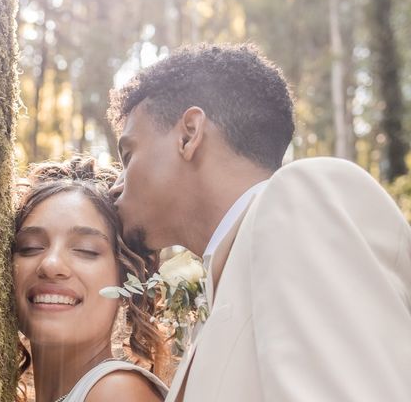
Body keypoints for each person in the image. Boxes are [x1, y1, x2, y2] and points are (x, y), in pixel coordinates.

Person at [107, 44, 411, 402]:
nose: (116, 185)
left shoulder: (299, 199)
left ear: (189, 134)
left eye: (128, 155)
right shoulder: (226, 288)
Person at [13, 157, 169, 402]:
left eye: (86, 250)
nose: (51, 265)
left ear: (126, 280)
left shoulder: (118, 393)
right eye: (30, 247)